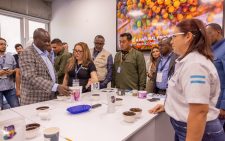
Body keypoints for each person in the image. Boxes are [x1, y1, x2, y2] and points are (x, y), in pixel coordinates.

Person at [149, 19, 225, 141]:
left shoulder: (195, 65)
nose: (171, 41)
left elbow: (199, 112)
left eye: (174, 36)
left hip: (200, 132)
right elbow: (185, 95)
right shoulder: (187, 61)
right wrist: (168, 106)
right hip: (186, 129)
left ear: (188, 36)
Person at [19, 28, 70, 105]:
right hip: (34, 100)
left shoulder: (46, 53)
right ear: (35, 39)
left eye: (49, 41)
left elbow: (50, 73)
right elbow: (32, 77)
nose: (48, 43)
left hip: (49, 97)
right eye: (45, 41)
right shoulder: (27, 53)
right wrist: (56, 87)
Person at [206, 23, 225, 130]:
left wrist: (224, 106)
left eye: (209, 33)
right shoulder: (209, 50)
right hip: (208, 102)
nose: (207, 37)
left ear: (218, 32)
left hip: (219, 104)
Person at [0, 37, 19, 109]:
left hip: (10, 87)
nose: (4, 46)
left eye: (5, 44)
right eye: (1, 44)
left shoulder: (11, 56)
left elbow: (16, 70)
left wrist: (12, 71)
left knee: (17, 108)